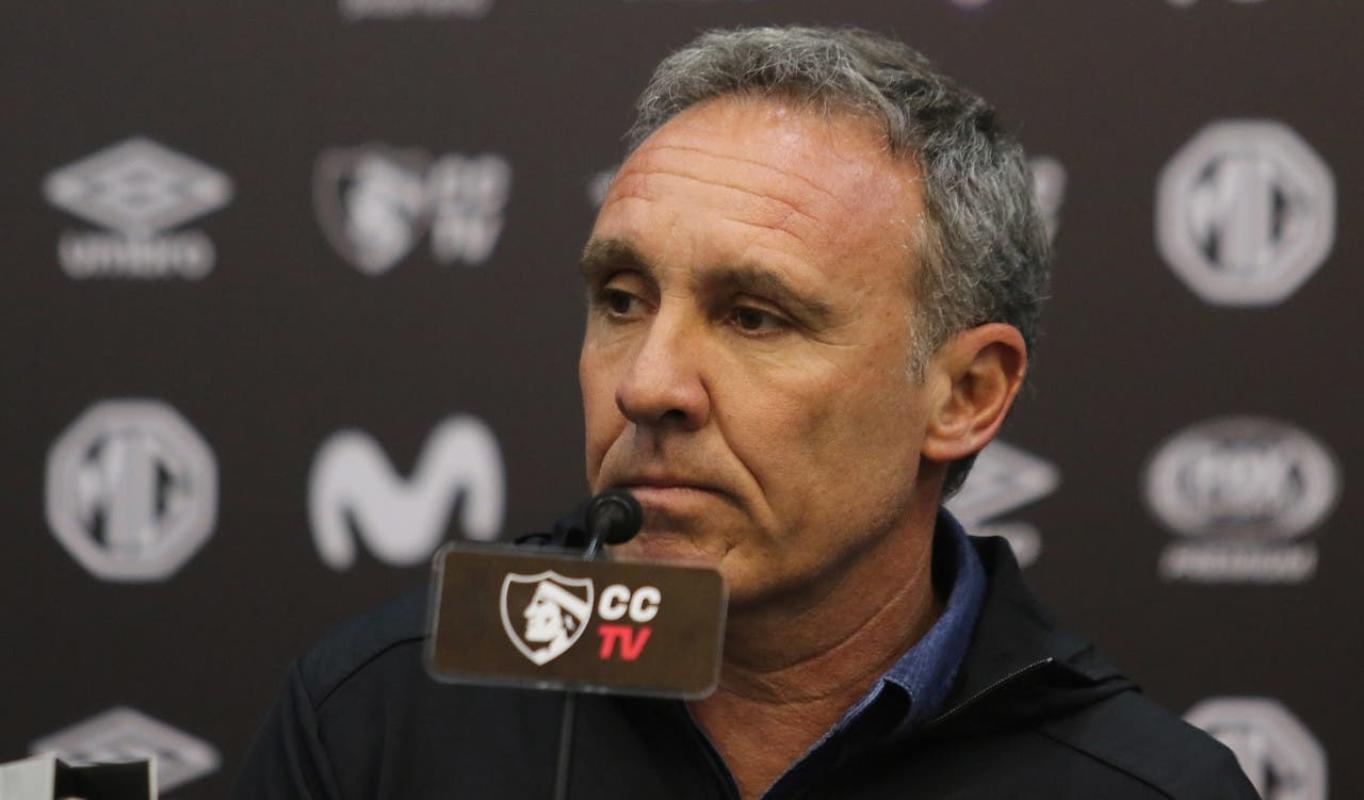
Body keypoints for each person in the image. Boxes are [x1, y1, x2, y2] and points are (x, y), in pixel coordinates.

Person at [236, 26, 1256, 799]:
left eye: (755, 317)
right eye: (622, 300)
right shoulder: (381, 718)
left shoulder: (1143, 785)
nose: (648, 385)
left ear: (965, 394)